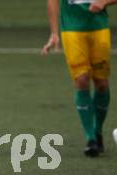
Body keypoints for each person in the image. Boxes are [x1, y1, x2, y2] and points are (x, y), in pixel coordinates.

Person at [42, 0, 117, 157]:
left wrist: (104, 2)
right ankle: (90, 139)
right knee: (81, 79)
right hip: (72, 30)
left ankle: (98, 132)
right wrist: (54, 33)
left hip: (99, 29)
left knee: (102, 84)